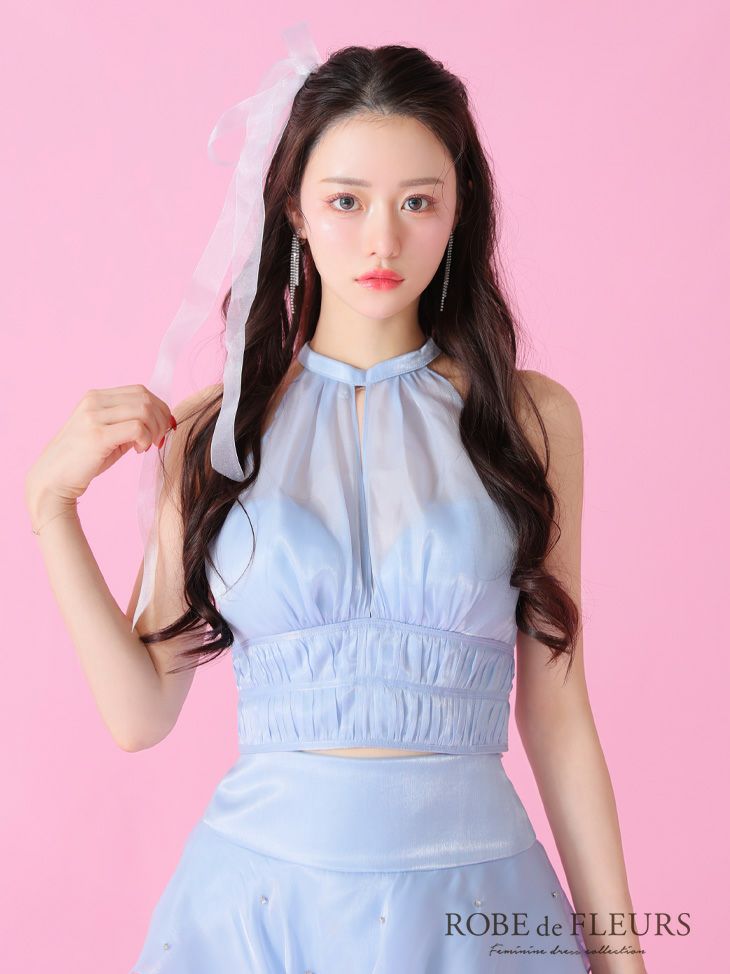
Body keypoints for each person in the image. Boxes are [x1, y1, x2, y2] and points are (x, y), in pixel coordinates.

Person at [24, 39, 647, 974]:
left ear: (459, 209)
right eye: (347, 201)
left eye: (417, 201)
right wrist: (50, 506)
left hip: (474, 912)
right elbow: (140, 713)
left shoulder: (529, 420)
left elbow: (558, 717)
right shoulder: (215, 434)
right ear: (295, 209)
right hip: (255, 915)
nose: (382, 241)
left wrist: (623, 958)